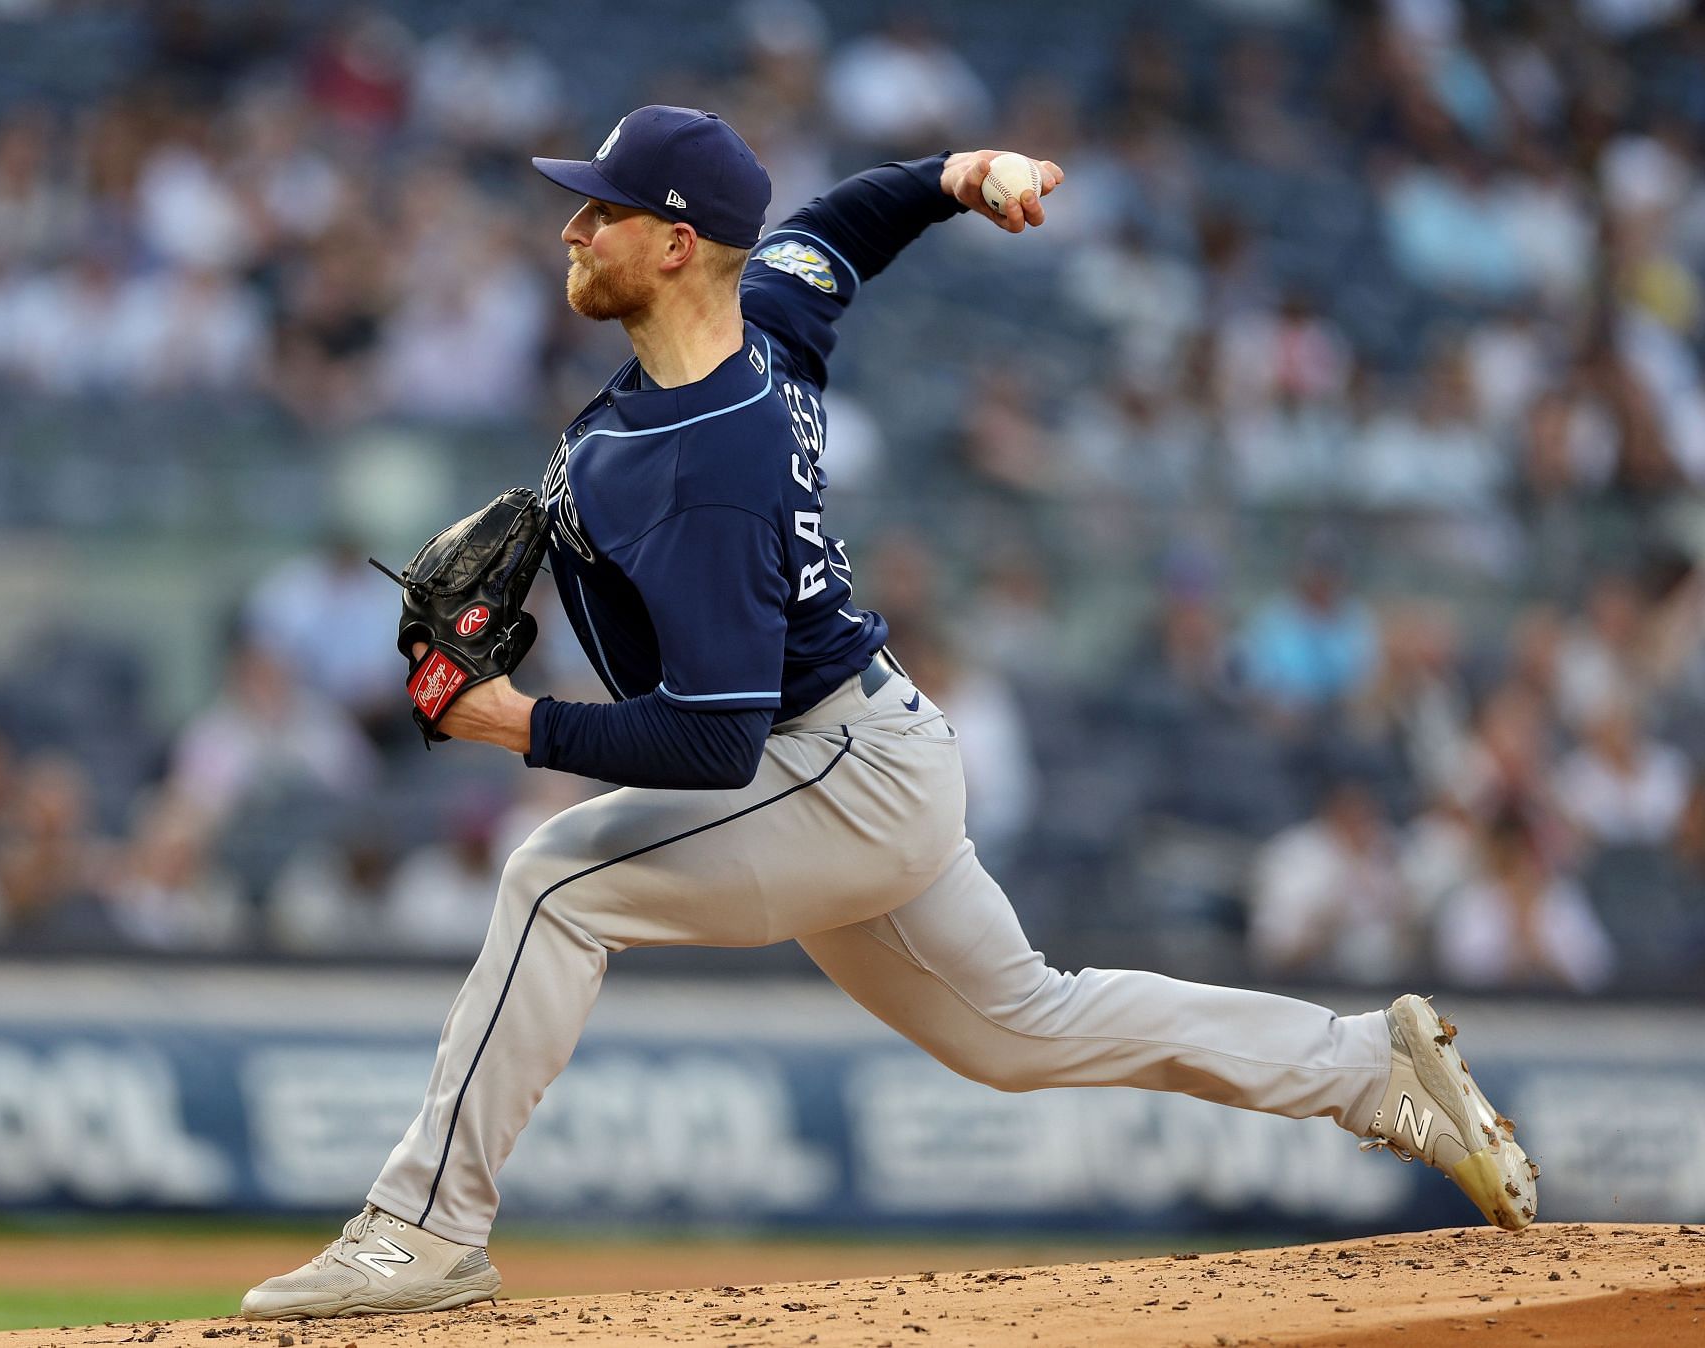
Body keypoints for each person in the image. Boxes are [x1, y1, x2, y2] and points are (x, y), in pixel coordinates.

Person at [241, 106, 1536, 1320]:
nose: (573, 228)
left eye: (604, 211)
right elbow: (843, 228)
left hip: (829, 770)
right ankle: (1370, 1066)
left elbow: (711, 742)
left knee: (553, 883)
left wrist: (510, 724)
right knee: (1027, 1028)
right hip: (869, 749)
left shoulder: (708, 472)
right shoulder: (759, 313)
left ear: (676, 243)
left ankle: (421, 1225)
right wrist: (964, 176)